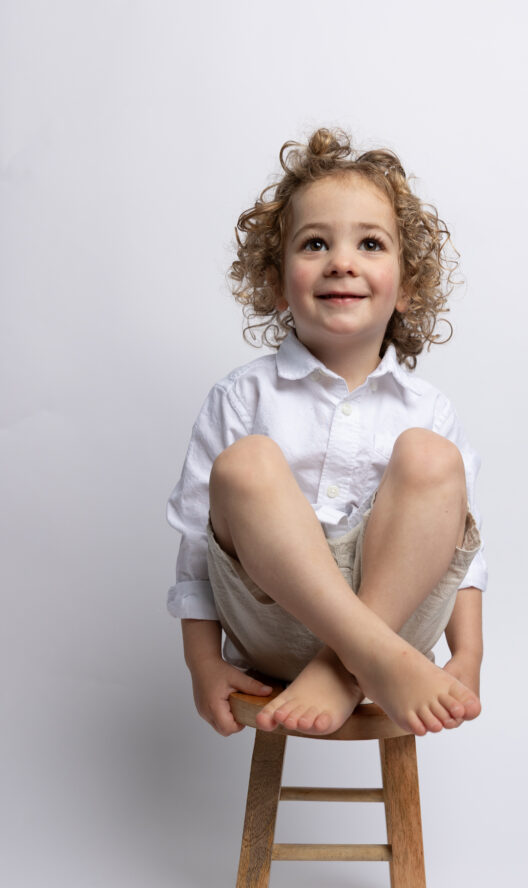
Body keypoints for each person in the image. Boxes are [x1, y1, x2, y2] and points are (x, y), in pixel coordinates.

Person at [167, 128, 487, 740]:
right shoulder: (240, 398)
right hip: (270, 624)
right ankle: (368, 659)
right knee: (246, 464)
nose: (342, 261)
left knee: (431, 458)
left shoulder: (429, 409)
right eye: (315, 243)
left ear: (408, 286)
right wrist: (202, 663)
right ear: (275, 282)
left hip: (400, 621)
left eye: (370, 243)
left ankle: (344, 669)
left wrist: (468, 655)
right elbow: (196, 544)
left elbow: (464, 550)